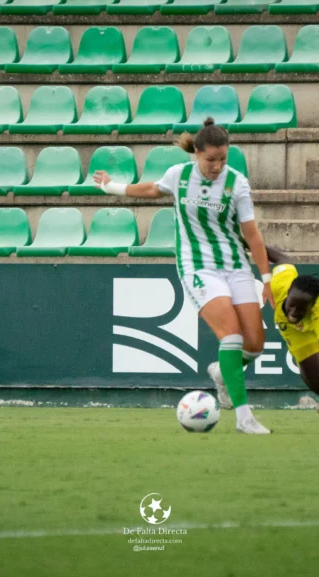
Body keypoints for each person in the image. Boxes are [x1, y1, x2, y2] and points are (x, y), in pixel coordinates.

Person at [93, 118, 275, 435]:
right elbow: (150, 189)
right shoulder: (178, 176)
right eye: (211, 159)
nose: (217, 165)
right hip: (198, 267)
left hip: (235, 266)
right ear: (197, 153)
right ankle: (244, 417)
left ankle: (221, 372)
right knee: (231, 336)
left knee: (255, 345)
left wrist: (267, 278)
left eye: (223, 158)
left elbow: (253, 235)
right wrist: (112, 186)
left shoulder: (237, 183)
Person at [266, 246, 319, 434]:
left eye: (301, 309)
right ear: (287, 295)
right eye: (292, 305)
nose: (294, 313)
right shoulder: (280, 283)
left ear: (311, 307)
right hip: (296, 333)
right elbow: (281, 257)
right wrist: (246, 242)